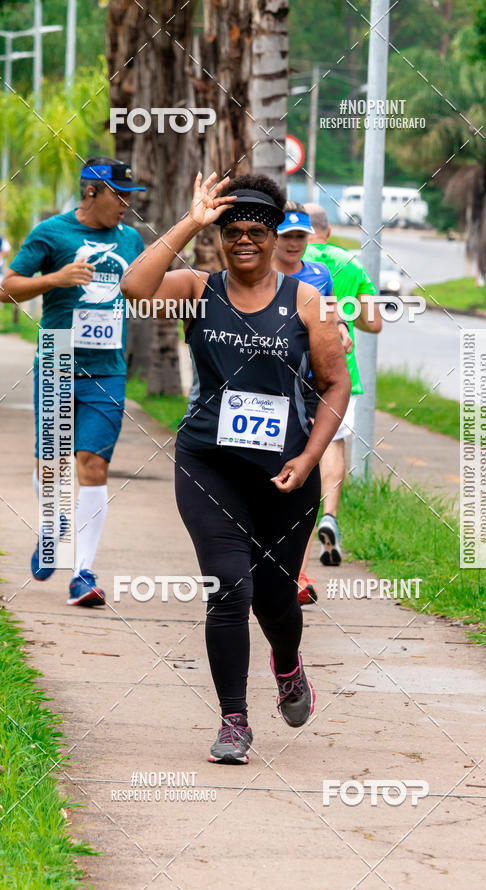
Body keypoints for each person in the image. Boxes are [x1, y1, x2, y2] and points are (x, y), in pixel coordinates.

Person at [121, 172, 350, 764]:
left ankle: (288, 665)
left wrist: (309, 458)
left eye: (256, 231)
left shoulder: (307, 302)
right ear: (221, 237)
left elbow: (334, 383)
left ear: (276, 237)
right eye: (232, 232)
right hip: (207, 465)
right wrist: (191, 222)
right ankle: (234, 721)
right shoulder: (198, 288)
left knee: (275, 600)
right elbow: (134, 288)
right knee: (227, 588)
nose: (243, 241)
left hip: (285, 474)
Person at [0, 157, 146, 607]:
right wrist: (55, 279)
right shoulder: (52, 233)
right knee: (55, 465)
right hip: (58, 361)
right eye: (119, 196)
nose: (126, 205)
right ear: (91, 193)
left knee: (93, 464)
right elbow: (7, 287)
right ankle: (52, 525)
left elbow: (146, 287)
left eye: (130, 197)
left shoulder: (132, 239)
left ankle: (82, 572)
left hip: (108, 368)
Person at [272, 200, 350, 604]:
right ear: (274, 237)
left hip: (306, 390)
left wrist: (340, 329)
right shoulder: (260, 274)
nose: (294, 245)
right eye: (287, 236)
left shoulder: (319, 275)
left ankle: (298, 574)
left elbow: (331, 313)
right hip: (266, 389)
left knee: (304, 481)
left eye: (300, 237)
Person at [302, 201, 382, 568]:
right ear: (328, 229)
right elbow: (374, 322)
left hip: (292, 365)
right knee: (332, 443)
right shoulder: (350, 263)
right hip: (338, 370)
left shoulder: (288, 254)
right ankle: (329, 516)